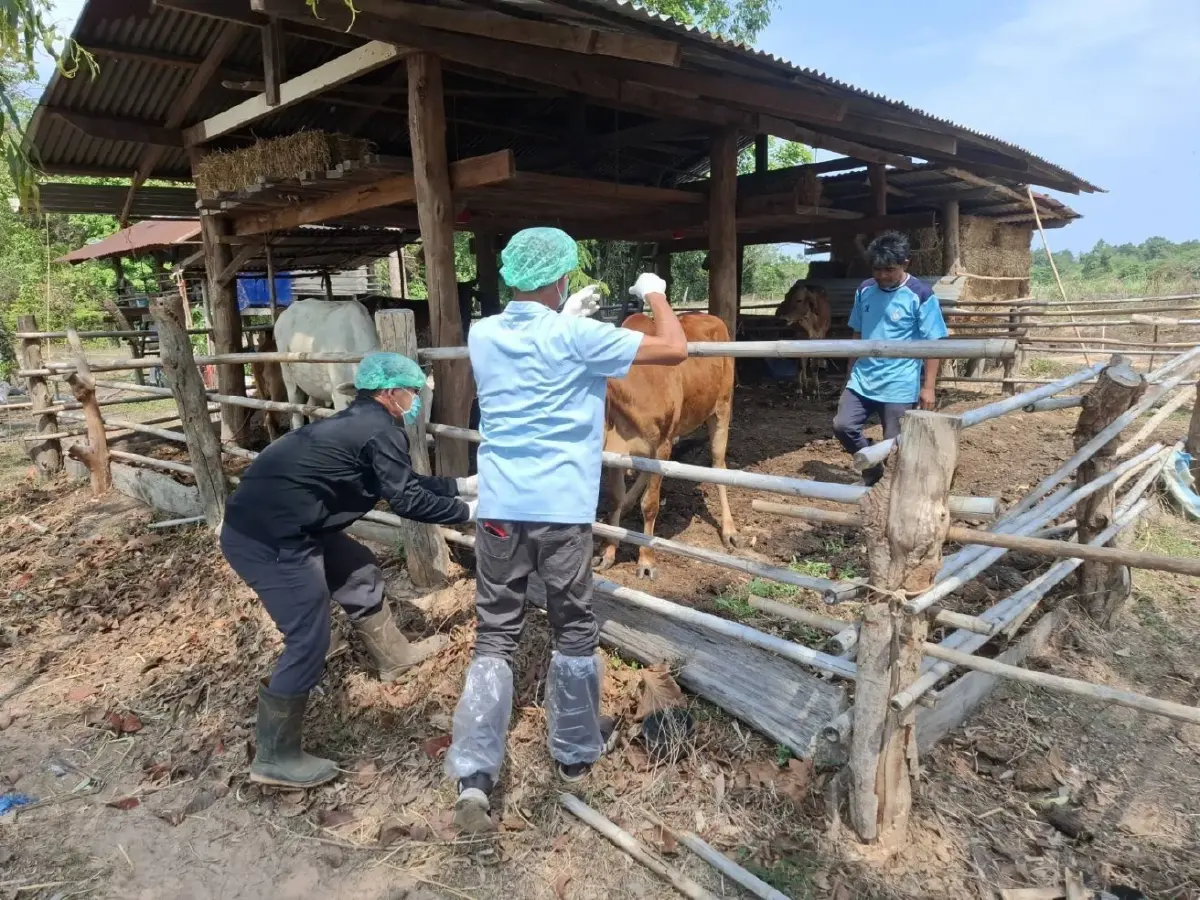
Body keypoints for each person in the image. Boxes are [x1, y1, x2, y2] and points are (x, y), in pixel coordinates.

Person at [445, 227, 689, 832]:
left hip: (501, 505)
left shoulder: (483, 332)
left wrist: (562, 311)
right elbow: (675, 348)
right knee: (573, 624)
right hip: (560, 509)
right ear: (561, 279)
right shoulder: (580, 336)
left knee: (495, 632)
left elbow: (531, 345)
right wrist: (655, 294)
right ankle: (576, 754)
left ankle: (475, 774)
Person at [220, 351, 478, 790]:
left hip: (290, 524)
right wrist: (469, 509)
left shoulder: (363, 423)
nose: (416, 399)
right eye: (412, 391)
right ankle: (275, 756)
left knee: (358, 571)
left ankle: (393, 657)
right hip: (269, 539)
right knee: (308, 638)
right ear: (388, 392)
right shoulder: (379, 430)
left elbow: (402, 484)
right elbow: (407, 502)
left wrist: (462, 485)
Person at [833, 231, 949, 485]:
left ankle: (888, 489)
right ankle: (872, 468)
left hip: (900, 383)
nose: (882, 276)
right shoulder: (864, 290)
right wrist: (849, 372)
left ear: (906, 263)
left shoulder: (921, 295)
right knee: (843, 426)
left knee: (895, 444)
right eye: (877, 269)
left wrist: (928, 387)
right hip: (863, 378)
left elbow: (934, 343)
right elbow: (858, 332)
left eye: (889, 269)